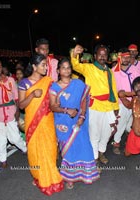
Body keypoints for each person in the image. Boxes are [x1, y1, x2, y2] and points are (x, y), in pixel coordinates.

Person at [49, 57, 100, 189]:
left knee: (83, 146)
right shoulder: (54, 87)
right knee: (68, 150)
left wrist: (82, 116)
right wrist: (66, 110)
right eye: (63, 67)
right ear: (58, 70)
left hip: (78, 121)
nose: (66, 70)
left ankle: (85, 174)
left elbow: (84, 100)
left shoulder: (78, 84)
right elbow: (53, 106)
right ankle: (69, 177)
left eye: (68, 67)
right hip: (63, 122)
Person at [18, 53, 64, 195]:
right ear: (34, 66)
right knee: (35, 151)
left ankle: (50, 174)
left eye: (46, 65)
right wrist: (32, 95)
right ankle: (39, 176)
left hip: (47, 121)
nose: (46, 68)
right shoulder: (24, 83)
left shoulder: (49, 82)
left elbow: (54, 102)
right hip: (33, 122)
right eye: (43, 65)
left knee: (50, 150)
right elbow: (21, 105)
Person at [71, 44, 119, 165]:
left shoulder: (109, 71)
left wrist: (116, 107)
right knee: (94, 134)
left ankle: (101, 151)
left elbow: (113, 89)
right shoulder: (89, 68)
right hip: (94, 106)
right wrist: (75, 54)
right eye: (100, 54)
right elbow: (75, 65)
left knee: (107, 132)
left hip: (108, 106)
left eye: (105, 55)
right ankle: (95, 158)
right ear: (95, 56)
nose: (102, 57)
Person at [0, 59, 27, 173]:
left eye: (0, 66)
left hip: (10, 113)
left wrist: (17, 111)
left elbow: (16, 98)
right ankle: (3, 161)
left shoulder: (11, 80)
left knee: (15, 138)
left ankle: (25, 148)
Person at [111, 47, 140, 154]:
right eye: (124, 57)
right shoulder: (114, 71)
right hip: (120, 101)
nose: (126, 59)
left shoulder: (134, 69)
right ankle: (116, 142)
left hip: (135, 100)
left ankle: (136, 139)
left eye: (128, 57)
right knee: (121, 122)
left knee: (133, 123)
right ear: (119, 58)